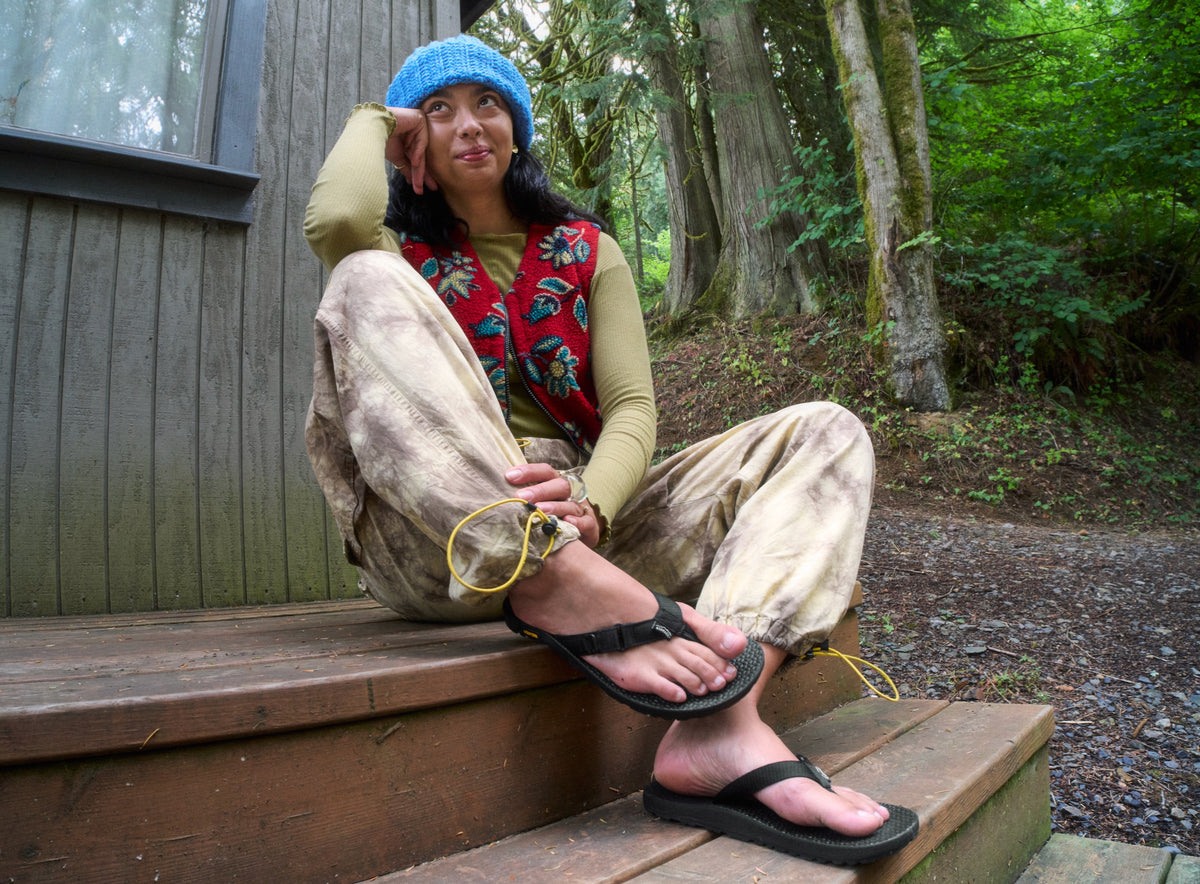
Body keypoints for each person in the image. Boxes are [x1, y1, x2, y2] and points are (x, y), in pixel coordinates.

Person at [303, 33, 916, 865]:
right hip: (437, 545)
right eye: (438, 111)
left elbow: (630, 407)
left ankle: (723, 729)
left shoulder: (588, 250)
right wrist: (379, 116)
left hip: (588, 530)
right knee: (358, 283)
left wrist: (591, 500)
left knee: (826, 429)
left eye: (488, 103)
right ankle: (556, 580)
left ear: (518, 128)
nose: (468, 124)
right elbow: (335, 217)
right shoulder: (392, 253)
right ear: (414, 144)